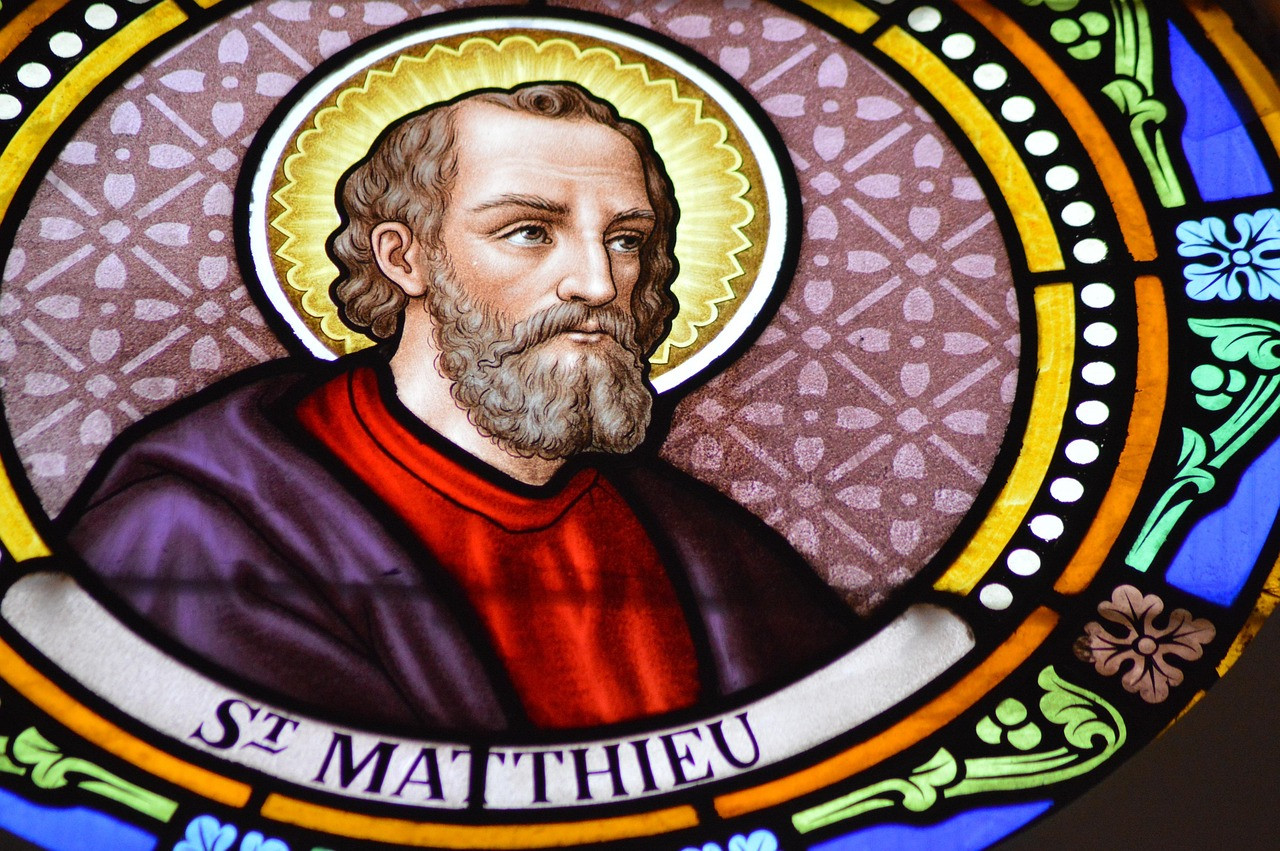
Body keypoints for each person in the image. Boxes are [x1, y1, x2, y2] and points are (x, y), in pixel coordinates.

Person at [64, 83, 858, 736]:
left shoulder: (708, 550)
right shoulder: (196, 536)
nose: (597, 282)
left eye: (625, 239)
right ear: (403, 256)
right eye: (529, 231)